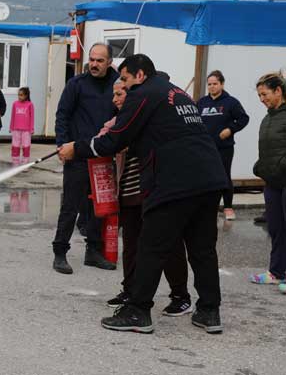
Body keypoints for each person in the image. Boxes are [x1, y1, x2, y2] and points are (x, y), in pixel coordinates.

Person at [59, 54, 228, 334]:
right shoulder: (177, 93)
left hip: (175, 181)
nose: (122, 85)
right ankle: (210, 311)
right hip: (209, 179)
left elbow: (116, 139)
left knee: (151, 245)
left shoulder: (144, 93)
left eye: (124, 78)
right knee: (202, 249)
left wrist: (76, 148)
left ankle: (138, 311)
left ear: (140, 76)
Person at [103, 78, 192, 317]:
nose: (116, 99)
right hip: (129, 192)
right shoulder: (116, 122)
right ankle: (130, 289)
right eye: (114, 94)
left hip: (155, 191)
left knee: (169, 245)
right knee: (131, 244)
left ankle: (180, 295)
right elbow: (105, 136)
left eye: (120, 93)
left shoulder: (153, 117)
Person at [51, 43, 119, 274]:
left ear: (110, 62)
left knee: (99, 208)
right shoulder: (76, 84)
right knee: (70, 206)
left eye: (100, 60)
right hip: (77, 155)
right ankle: (60, 252)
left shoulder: (117, 85)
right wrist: (62, 145)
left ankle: (93, 251)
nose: (94, 64)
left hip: (103, 155)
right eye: (92, 59)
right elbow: (62, 115)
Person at [250, 72, 286, 295]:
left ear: (278, 91)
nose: (261, 99)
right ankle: (277, 272)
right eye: (259, 95)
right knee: (276, 228)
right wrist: (260, 166)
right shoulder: (268, 117)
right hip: (272, 181)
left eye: (264, 94)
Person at [198, 70, 250, 220]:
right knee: (206, 177)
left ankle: (228, 207)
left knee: (224, 176)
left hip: (224, 147)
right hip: (205, 148)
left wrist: (230, 129)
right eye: (209, 84)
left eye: (215, 84)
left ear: (222, 84)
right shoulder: (202, 103)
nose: (212, 87)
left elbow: (243, 119)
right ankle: (208, 208)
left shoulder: (231, 102)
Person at [10, 87, 34, 166]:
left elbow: (32, 117)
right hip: (16, 129)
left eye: (21, 95)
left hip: (26, 130)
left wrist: (31, 128)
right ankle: (15, 163)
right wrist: (11, 127)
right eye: (18, 95)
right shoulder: (15, 104)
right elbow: (13, 116)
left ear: (26, 95)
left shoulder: (30, 104)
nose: (19, 97)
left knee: (26, 147)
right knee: (15, 146)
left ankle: (25, 164)